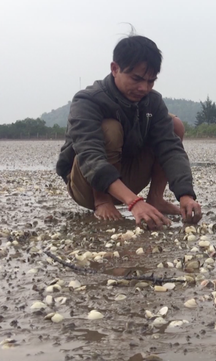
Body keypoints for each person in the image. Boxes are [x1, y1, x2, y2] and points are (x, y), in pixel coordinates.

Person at [55, 34, 202, 229]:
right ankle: (103, 201)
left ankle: (156, 198)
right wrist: (134, 203)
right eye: (136, 79)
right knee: (110, 128)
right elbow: (90, 157)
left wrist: (186, 194)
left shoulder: (153, 102)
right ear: (115, 69)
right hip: (87, 185)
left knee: (174, 125)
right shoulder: (87, 100)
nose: (143, 88)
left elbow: (170, 149)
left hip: (127, 175)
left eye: (151, 81)